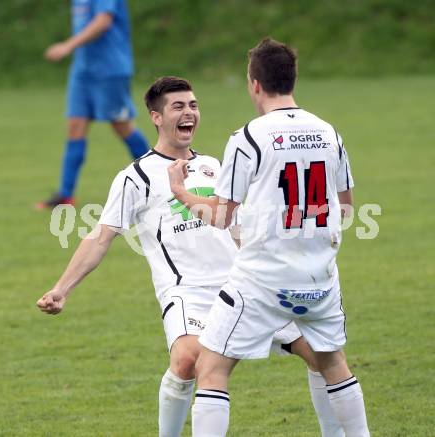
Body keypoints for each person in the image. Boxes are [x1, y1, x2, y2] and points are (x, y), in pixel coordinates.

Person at [37, 76, 344, 436]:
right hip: (188, 292)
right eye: (178, 106)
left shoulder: (216, 165)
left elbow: (240, 229)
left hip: (245, 285)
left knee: (319, 353)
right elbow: (100, 237)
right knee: (186, 361)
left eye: (193, 105)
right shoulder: (135, 177)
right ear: (156, 117)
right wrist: (62, 289)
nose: (189, 113)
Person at [168, 38, 370, 436]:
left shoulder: (249, 137)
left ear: (254, 84)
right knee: (332, 363)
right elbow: (345, 207)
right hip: (320, 278)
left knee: (211, 368)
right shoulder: (329, 133)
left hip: (262, 278)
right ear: (292, 79)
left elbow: (223, 216)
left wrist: (181, 192)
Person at [36, 0, 149, 209]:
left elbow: (103, 21)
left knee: (121, 126)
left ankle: (160, 178)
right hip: (83, 71)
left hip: (110, 69)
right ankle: (65, 195)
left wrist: (67, 45)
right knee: (75, 127)